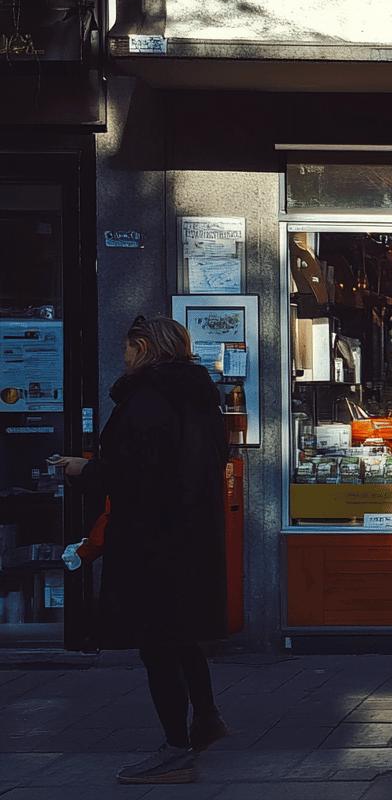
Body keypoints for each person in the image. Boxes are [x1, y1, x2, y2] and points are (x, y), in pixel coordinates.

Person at [53, 315, 229, 785]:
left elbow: (135, 474)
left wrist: (83, 471)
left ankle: (175, 750)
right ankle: (206, 717)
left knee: (157, 644)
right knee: (181, 631)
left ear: (144, 347)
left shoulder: (147, 401)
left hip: (154, 539)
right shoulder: (199, 398)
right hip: (192, 535)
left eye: (128, 347)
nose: (124, 356)